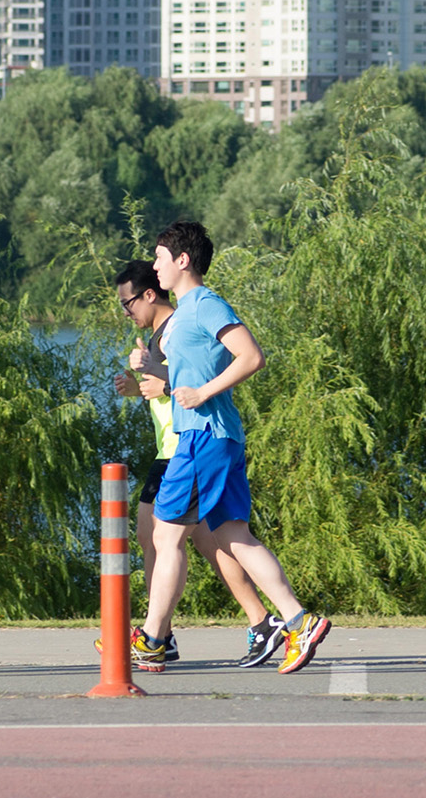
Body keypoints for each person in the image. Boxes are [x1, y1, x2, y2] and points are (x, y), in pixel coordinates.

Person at [132, 219, 330, 675]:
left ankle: (154, 638)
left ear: (182, 261)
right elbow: (194, 375)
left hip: (204, 436)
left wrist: (200, 395)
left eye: (160, 257)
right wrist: (157, 374)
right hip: (208, 436)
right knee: (231, 535)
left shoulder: (205, 304)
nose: (155, 266)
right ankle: (301, 621)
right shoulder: (184, 313)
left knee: (166, 535)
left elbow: (251, 356)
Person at [112, 258, 286, 668]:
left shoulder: (185, 320)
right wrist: (140, 388)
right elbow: (169, 389)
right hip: (174, 445)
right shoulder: (157, 335)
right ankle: (168, 631)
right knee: (190, 537)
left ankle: (161, 634)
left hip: (190, 443)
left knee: (189, 537)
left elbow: (200, 376)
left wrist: (163, 380)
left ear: (149, 293)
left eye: (127, 303)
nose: (125, 312)